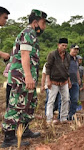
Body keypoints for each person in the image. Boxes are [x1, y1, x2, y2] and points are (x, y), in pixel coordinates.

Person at [1, 9, 50, 148]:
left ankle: (24, 129)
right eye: (43, 23)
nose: (44, 27)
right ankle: (9, 137)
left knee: (29, 104)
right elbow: (24, 54)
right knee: (16, 105)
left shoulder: (32, 34)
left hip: (28, 78)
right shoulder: (28, 33)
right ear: (35, 23)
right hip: (21, 77)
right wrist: (28, 76)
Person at [46, 38, 71, 124]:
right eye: (62, 45)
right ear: (58, 45)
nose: (64, 47)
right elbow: (48, 67)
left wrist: (69, 80)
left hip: (64, 81)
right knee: (51, 100)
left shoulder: (68, 56)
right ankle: (49, 119)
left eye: (66, 46)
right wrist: (48, 80)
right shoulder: (52, 54)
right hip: (54, 81)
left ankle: (63, 118)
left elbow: (67, 69)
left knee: (66, 99)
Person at [68, 44, 81, 120]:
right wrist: (68, 80)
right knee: (66, 99)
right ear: (70, 49)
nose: (75, 51)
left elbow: (77, 70)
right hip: (68, 81)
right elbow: (65, 70)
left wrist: (79, 79)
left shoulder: (76, 59)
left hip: (75, 81)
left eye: (77, 49)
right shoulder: (67, 58)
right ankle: (64, 115)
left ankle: (72, 115)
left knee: (75, 99)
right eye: (74, 49)